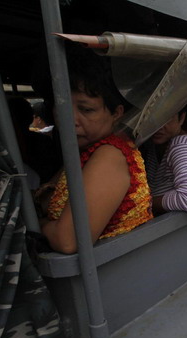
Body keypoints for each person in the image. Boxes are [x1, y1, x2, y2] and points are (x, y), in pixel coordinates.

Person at [42, 48, 152, 254]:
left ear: (116, 113)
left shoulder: (109, 154)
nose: (70, 120)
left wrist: (39, 225)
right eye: (62, 106)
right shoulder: (85, 152)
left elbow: (69, 241)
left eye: (86, 110)